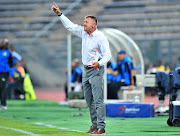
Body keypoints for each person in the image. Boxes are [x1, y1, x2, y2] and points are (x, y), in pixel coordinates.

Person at [51, 2, 111, 135]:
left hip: (95, 70)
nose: (84, 24)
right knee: (89, 100)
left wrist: (99, 63)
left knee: (98, 100)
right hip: (86, 70)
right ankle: (94, 125)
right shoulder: (84, 33)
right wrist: (59, 14)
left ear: (93, 25)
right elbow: (70, 26)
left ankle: (101, 127)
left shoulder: (100, 37)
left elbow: (108, 55)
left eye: (86, 22)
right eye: (84, 21)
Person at [0, 39, 13, 109]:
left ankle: (3, 104)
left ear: (6, 44)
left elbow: (11, 64)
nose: (1, 43)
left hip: (4, 72)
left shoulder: (8, 53)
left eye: (2, 42)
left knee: (2, 87)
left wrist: (11, 74)